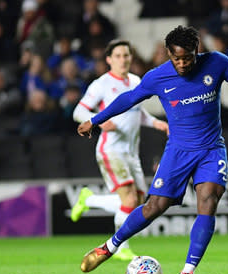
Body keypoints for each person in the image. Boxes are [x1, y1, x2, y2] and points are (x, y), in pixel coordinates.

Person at [76, 25, 228, 274]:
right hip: (178, 152)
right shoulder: (157, 77)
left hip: (211, 150)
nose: (182, 63)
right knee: (155, 207)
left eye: (187, 57)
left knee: (208, 201)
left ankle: (187, 273)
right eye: (176, 58)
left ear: (196, 50)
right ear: (168, 54)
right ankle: (109, 247)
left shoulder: (216, 63)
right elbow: (129, 99)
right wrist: (95, 120)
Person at [71, 39, 169, 261]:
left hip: (131, 152)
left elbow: (137, 112)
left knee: (139, 202)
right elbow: (78, 111)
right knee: (129, 201)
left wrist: (157, 123)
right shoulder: (101, 84)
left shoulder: (135, 80)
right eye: (118, 56)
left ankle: (88, 200)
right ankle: (121, 245)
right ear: (108, 59)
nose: (123, 60)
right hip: (111, 149)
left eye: (126, 55)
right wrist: (99, 122)